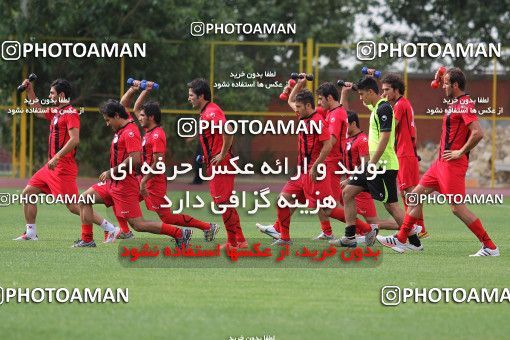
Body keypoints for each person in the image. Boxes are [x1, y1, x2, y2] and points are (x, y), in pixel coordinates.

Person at [378, 68, 499, 256]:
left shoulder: (465, 104)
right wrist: (442, 74)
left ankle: (490, 246)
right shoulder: (456, 102)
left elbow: (478, 132)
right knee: (415, 195)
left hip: (453, 165)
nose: (442, 86)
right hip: (440, 164)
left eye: (446, 84)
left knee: (457, 208)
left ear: (455, 85)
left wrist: (460, 151)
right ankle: (402, 239)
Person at [74, 100, 193, 248]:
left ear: (117, 116)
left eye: (108, 120)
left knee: (139, 224)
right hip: (112, 183)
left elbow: (135, 159)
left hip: (124, 185)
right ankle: (87, 240)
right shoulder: (122, 127)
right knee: (85, 198)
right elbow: (124, 102)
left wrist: (113, 171)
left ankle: (179, 233)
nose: (107, 124)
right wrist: (133, 89)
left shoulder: (130, 132)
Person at [14, 78, 118, 241]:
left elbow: (74, 139)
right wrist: (30, 91)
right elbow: (38, 111)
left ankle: (111, 228)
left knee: (74, 205)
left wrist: (57, 156)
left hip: (63, 167)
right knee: (28, 193)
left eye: (52, 93)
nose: (49, 95)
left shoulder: (70, 113)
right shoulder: (57, 111)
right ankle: (31, 233)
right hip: (50, 167)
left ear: (61, 95)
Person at [121, 81, 218, 240]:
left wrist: (144, 182)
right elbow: (136, 108)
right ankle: (122, 231)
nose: (139, 117)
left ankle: (208, 227)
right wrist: (146, 90)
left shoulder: (157, 135)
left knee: (167, 218)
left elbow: (158, 164)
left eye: (143, 116)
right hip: (144, 179)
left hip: (154, 182)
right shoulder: (148, 129)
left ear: (151, 117)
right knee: (123, 197)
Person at [339, 76, 421, 249]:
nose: (360, 98)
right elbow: (354, 107)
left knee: (391, 204)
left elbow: (385, 137)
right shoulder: (376, 106)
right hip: (374, 165)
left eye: (362, 94)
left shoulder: (384, 108)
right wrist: (350, 88)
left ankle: (414, 241)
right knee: (347, 192)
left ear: (370, 92)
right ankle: (349, 237)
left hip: (383, 165)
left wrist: (372, 163)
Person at [187, 78, 246, 249]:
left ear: (201, 96)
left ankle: (233, 243)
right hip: (216, 163)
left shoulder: (212, 112)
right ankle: (239, 240)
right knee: (225, 202)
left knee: (223, 203)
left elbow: (228, 130)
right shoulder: (206, 112)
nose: (189, 98)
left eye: (191, 95)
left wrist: (222, 154)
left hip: (221, 163)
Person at [381, 73, 428, 238]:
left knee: (410, 192)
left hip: (405, 153)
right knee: (407, 193)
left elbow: (391, 128)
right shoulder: (403, 104)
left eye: (387, 90)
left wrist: (381, 106)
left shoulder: (400, 105)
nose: (384, 93)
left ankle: (416, 228)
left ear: (396, 89)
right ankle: (417, 227)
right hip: (405, 153)